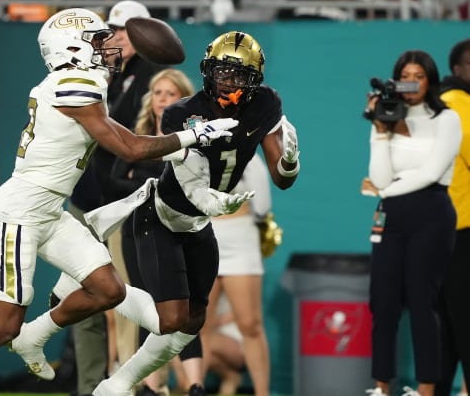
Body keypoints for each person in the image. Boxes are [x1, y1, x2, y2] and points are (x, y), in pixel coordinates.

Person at [0, 8, 236, 396]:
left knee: (108, 290)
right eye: (97, 41)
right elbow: (129, 148)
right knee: (4, 324)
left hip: (49, 210)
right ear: (72, 50)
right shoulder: (73, 84)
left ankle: (35, 336)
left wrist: (183, 146)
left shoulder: (77, 80)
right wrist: (193, 137)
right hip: (20, 213)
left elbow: (128, 142)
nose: (106, 48)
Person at [39, 30, 299, 396]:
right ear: (207, 72)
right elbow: (188, 182)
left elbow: (282, 179)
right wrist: (210, 200)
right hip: (161, 216)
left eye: (237, 74)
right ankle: (107, 343)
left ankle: (123, 382)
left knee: (192, 319)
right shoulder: (181, 115)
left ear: (254, 78)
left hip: (199, 223)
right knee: (168, 316)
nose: (228, 81)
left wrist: (290, 160)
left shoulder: (265, 104)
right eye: (222, 72)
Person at [65, 0, 167, 396]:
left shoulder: (156, 79)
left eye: (128, 30)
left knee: (126, 300)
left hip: (124, 205)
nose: (118, 37)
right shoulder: (93, 74)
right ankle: (90, 385)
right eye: (114, 29)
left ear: (145, 35)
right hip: (86, 200)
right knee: (82, 297)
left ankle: (131, 384)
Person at [359, 50, 461, 396]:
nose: (413, 82)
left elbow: (433, 172)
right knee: (383, 301)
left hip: (431, 212)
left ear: (430, 80)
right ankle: (381, 385)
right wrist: (379, 131)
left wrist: (386, 191)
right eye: (406, 76)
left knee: (422, 300)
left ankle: (427, 387)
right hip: (392, 214)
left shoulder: (447, 118)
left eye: (419, 76)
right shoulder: (389, 116)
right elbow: (379, 174)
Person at [106, 68, 198, 396]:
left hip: (179, 230)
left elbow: (193, 183)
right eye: (157, 92)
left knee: (180, 307)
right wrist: (150, 185)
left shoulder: (193, 134)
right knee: (146, 306)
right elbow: (115, 177)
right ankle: (151, 385)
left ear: (182, 97)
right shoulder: (140, 133)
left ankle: (192, 384)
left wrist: (145, 178)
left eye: (169, 93)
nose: (161, 99)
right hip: (139, 228)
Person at [435, 37, 470, 396]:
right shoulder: (461, 105)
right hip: (466, 236)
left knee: (449, 338)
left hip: (448, 237)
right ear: (456, 70)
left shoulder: (454, 103)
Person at [201, 152, 273, 396]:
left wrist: (259, 213)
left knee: (250, 324)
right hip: (204, 234)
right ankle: (195, 389)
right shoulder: (196, 135)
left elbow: (262, 195)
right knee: (201, 325)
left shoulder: (245, 143)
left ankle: (262, 393)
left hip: (240, 234)